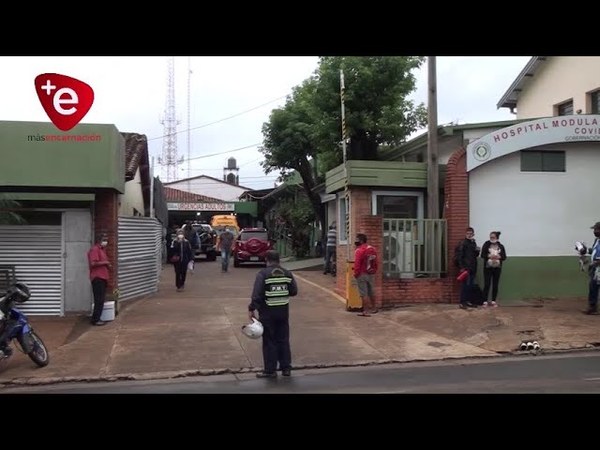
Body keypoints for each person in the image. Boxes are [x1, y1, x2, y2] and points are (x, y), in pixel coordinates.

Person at [248, 250, 298, 378]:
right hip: (283, 312)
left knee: (269, 341)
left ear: (267, 260)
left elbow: (257, 294)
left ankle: (270, 370)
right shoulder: (287, 273)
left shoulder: (263, 274)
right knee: (283, 340)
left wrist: (251, 308)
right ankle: (286, 368)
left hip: (267, 313)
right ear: (279, 260)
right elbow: (293, 291)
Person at [87, 233, 111, 326]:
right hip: (97, 278)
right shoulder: (95, 250)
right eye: (104, 239)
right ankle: (95, 319)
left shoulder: (102, 250)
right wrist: (105, 262)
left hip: (103, 277)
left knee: (101, 299)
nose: (106, 241)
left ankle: (98, 318)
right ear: (99, 240)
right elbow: (93, 263)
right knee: (99, 299)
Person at [353, 233, 378, 317]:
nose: (355, 241)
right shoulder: (372, 249)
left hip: (361, 274)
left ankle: (365, 311)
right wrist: (374, 271)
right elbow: (376, 262)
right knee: (372, 292)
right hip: (371, 273)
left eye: (357, 240)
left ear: (361, 240)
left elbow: (357, 264)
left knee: (364, 293)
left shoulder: (359, 250)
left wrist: (356, 274)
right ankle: (374, 308)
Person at [480, 231, 507, 307]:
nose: (491, 238)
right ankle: (485, 301)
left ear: (497, 238)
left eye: (493, 237)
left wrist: (499, 257)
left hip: (497, 268)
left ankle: (493, 301)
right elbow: (482, 255)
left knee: (495, 284)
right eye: (490, 237)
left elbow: (504, 257)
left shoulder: (501, 246)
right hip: (488, 268)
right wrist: (489, 256)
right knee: (487, 284)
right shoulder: (486, 244)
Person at [457, 227, 480, 309]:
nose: (469, 235)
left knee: (470, 285)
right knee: (465, 285)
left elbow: (475, 255)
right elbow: (460, 256)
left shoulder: (473, 243)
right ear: (465, 234)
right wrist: (461, 267)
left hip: (473, 267)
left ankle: (468, 301)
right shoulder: (463, 243)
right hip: (466, 268)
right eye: (468, 233)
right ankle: (462, 302)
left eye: (471, 234)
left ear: (473, 234)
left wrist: (477, 251)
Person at [582, 222, 600, 315]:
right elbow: (593, 251)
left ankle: (593, 307)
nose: (594, 231)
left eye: (596, 229)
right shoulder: (597, 240)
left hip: (598, 266)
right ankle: (592, 307)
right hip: (595, 267)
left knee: (594, 286)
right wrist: (585, 249)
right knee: (593, 286)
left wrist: (596, 263)